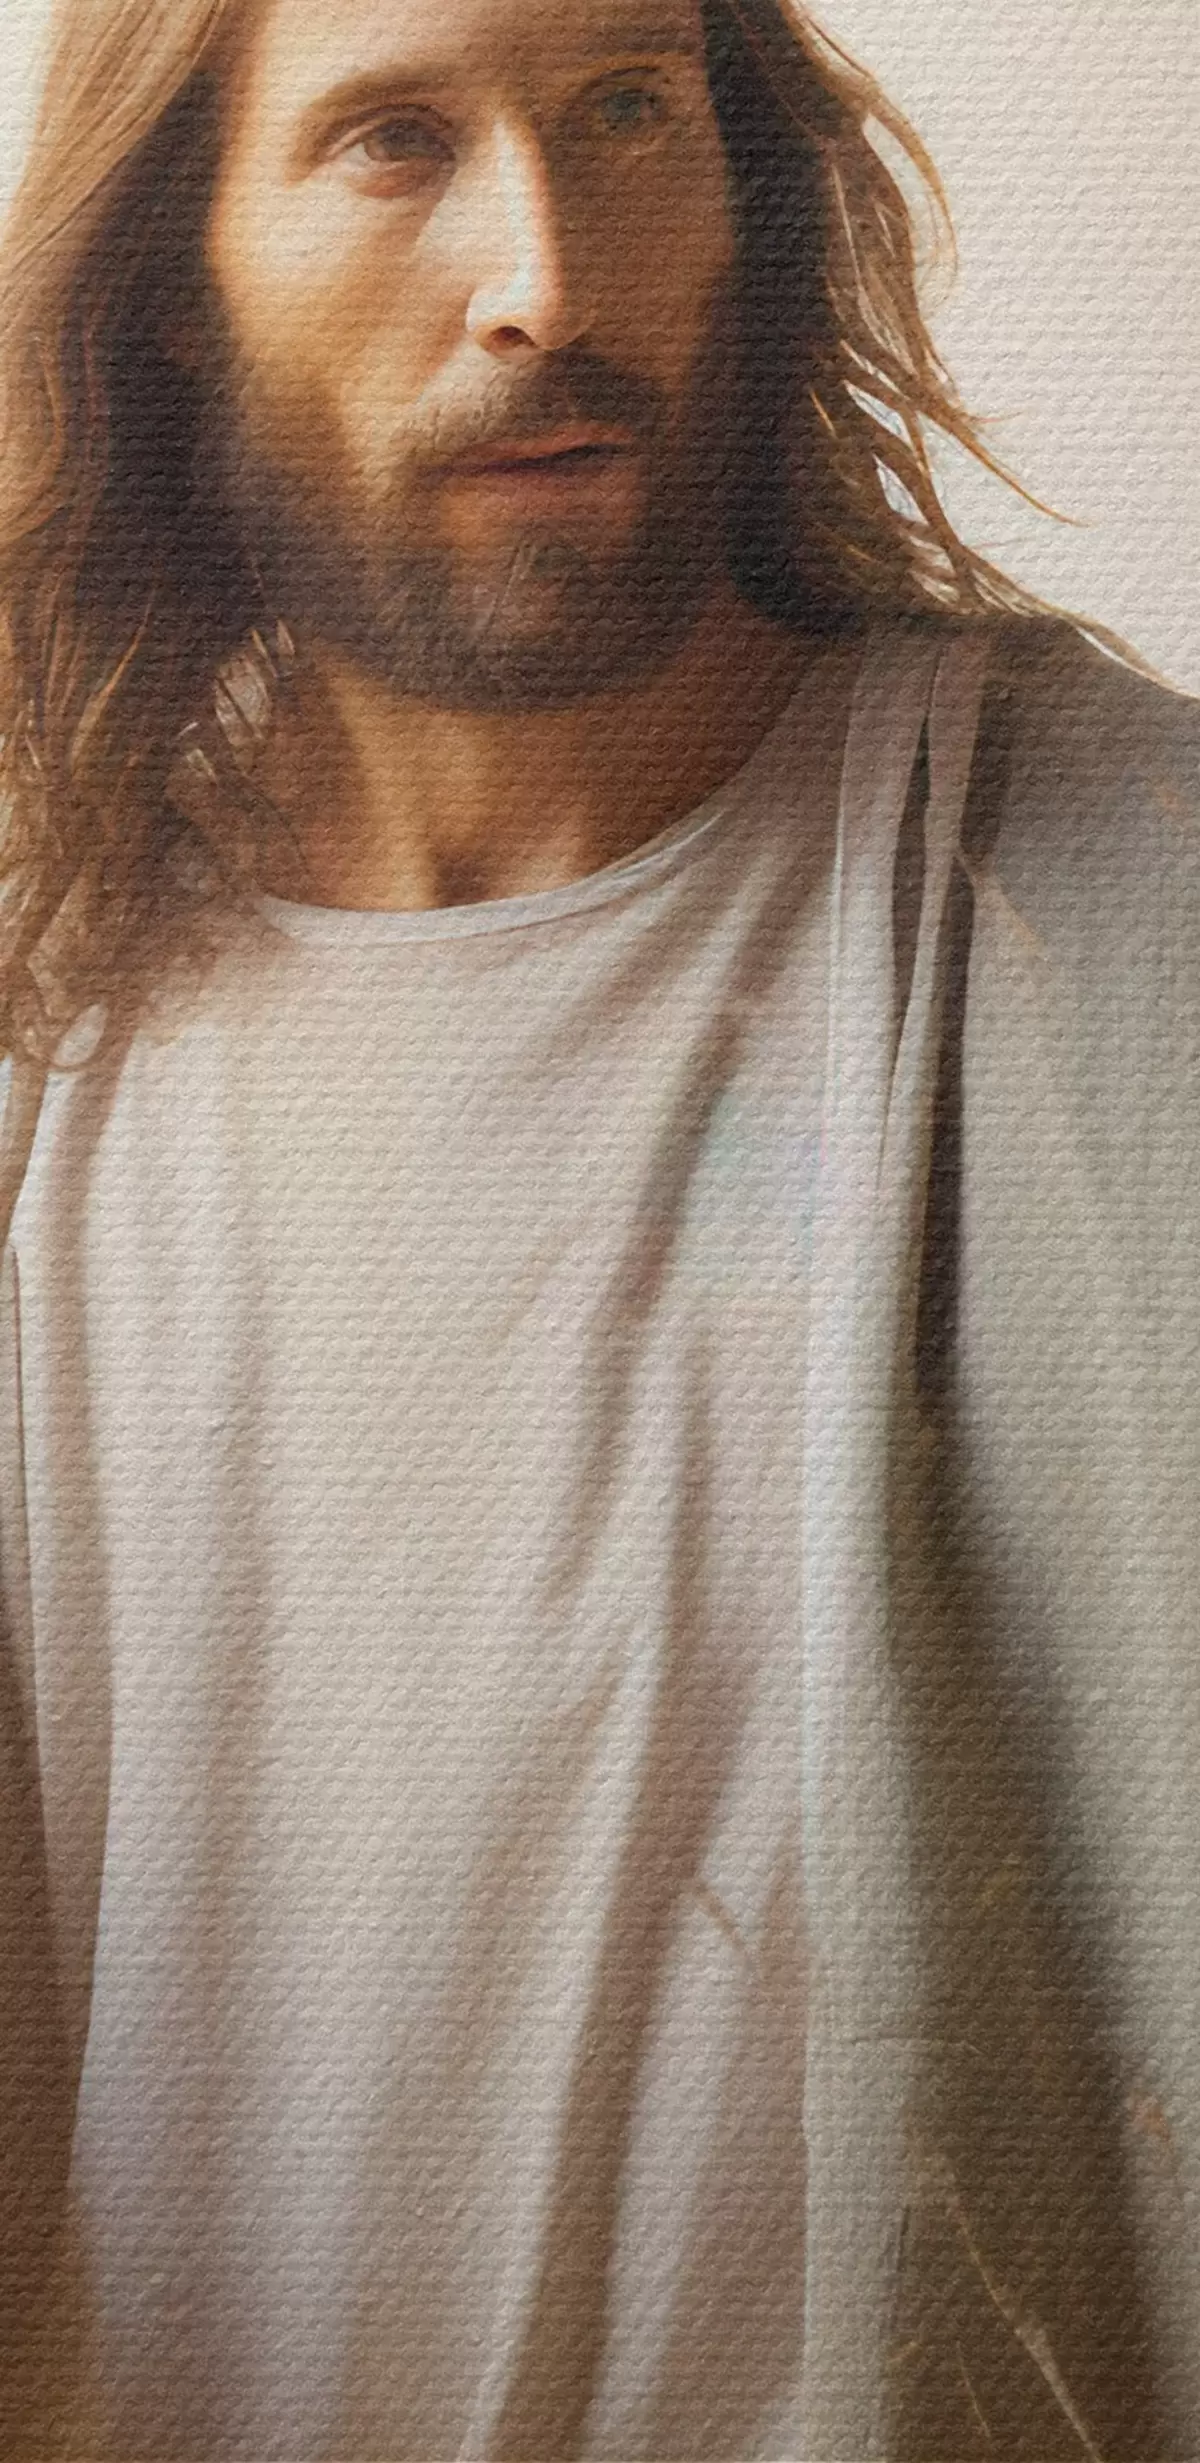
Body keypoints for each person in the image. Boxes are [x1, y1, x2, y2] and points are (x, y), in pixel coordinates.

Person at [0, 0, 1196, 2455]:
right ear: (173, 278)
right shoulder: (48, 1014)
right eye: (393, 141)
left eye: (626, 111)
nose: (549, 274)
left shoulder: (1107, 902)